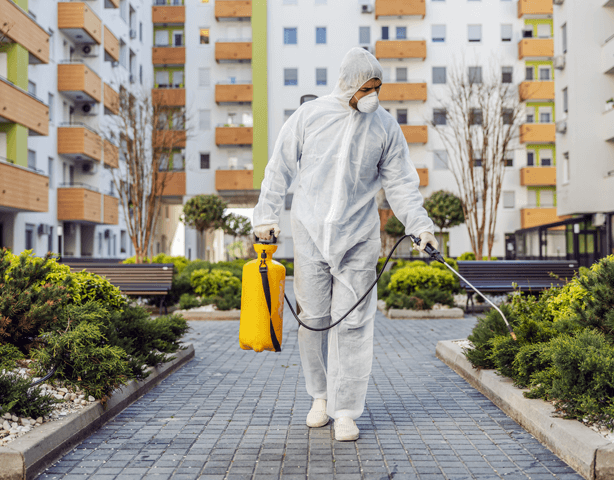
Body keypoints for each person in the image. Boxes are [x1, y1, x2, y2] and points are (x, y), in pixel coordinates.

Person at [252, 47, 438, 441]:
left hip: (357, 237)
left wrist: (421, 226)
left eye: (378, 88)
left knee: (353, 323)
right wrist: (266, 218)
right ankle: (319, 397)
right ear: (349, 84)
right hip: (309, 232)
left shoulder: (385, 127)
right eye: (367, 88)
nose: (374, 95)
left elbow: (402, 183)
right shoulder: (310, 116)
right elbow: (279, 168)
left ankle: (347, 410)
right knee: (313, 321)